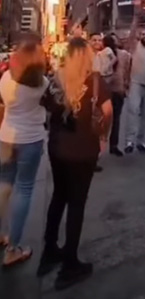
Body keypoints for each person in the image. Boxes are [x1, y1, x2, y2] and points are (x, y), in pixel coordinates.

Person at [40, 37, 111, 290]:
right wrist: (103, 137)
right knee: (77, 204)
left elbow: (45, 108)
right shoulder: (94, 81)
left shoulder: (55, 80)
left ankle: (49, 249)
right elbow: (107, 111)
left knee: (59, 197)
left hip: (57, 148)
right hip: (82, 150)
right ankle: (70, 264)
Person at [0, 34, 50, 267]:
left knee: (3, 185)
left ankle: (2, 233)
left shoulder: (5, 79)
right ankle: (13, 249)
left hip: (5, 137)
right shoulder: (42, 84)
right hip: (31, 140)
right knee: (24, 190)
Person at [124, 32, 145, 155]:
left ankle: (141, 141)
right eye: (143, 34)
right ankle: (130, 141)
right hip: (136, 83)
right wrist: (136, 21)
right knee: (133, 110)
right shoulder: (135, 47)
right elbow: (131, 35)